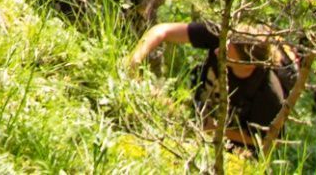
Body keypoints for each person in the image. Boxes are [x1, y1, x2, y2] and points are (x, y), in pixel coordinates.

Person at [129, 21, 304, 150]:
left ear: (248, 64)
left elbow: (271, 141)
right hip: (199, 118)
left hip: (234, 147)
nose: (217, 51)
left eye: (226, 53)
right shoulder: (220, 36)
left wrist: (219, 131)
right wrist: (135, 60)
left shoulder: (268, 93)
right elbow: (163, 30)